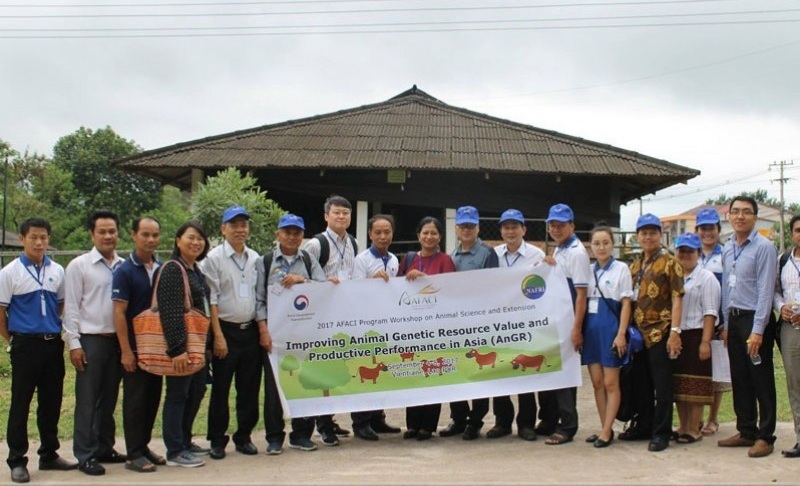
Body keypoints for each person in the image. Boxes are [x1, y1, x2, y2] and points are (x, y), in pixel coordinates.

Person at [0, 218, 77, 484]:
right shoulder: (10, 272)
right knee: (21, 403)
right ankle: (17, 459)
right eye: (34, 237)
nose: (39, 242)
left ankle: (49, 453)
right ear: (22, 239)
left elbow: (61, 305)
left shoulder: (57, 269)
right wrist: (13, 338)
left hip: (51, 343)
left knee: (51, 401)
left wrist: (49, 328)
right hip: (25, 344)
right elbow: (1, 311)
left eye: (43, 237)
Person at [256, 213, 328, 453]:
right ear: (278, 234)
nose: (292, 236)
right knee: (275, 388)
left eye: (297, 232)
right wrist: (263, 330)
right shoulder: (265, 262)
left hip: (304, 335)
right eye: (287, 232)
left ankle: (301, 434)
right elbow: (259, 300)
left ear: (302, 236)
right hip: (275, 337)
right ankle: (274, 438)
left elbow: (324, 287)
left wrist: (302, 280)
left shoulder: (307, 260)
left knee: (304, 384)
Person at [63, 210, 126, 476]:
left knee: (109, 399)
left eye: (112, 231)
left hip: (117, 341)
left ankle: (104, 447)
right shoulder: (79, 266)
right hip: (91, 340)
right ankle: (85, 454)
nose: (108, 236)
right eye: (102, 231)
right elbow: (71, 308)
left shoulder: (124, 265)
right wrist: (74, 343)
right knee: (88, 400)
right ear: (92, 234)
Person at [718, 196, 778, 458]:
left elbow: (766, 290)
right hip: (735, 319)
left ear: (755, 216)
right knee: (739, 378)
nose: (740, 216)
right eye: (735, 212)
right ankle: (746, 430)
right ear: (729, 216)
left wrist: (758, 330)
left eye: (746, 212)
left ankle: (765, 436)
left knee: (760, 379)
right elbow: (725, 288)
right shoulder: (728, 247)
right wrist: (727, 322)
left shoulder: (764, 247)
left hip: (756, 319)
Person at [201, 205, 261, 460]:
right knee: (222, 389)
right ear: (223, 228)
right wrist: (218, 336)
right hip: (225, 331)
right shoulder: (213, 259)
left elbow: (260, 297)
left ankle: (244, 436)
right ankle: (217, 439)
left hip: (251, 332)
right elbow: (211, 300)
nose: (240, 230)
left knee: (249, 388)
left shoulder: (255, 257)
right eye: (234, 225)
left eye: (243, 225)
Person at [619, 213, 683, 452]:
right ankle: (644, 425)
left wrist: (675, 331)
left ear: (660, 235)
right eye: (643, 233)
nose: (648, 237)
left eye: (652, 232)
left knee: (663, 385)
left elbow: (678, 298)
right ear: (637, 236)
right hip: (639, 336)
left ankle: (662, 432)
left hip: (662, 331)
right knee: (642, 384)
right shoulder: (635, 265)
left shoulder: (670, 262)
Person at [111, 217, 166, 473]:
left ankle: (144, 447)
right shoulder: (124, 271)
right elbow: (119, 313)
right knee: (135, 400)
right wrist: (126, 351)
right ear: (133, 235)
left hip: (157, 347)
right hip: (135, 347)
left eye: (155, 235)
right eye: (145, 234)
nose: (150, 240)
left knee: (153, 397)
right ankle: (133, 453)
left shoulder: (162, 267)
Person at [302, 195, 358, 445]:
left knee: (339, 369)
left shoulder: (354, 243)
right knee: (324, 370)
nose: (341, 217)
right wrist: (323, 284)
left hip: (343, 317)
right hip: (320, 318)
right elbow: (299, 278)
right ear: (326, 216)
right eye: (336, 213)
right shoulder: (316, 244)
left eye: (346, 213)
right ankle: (322, 426)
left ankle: (330, 418)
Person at [440, 206, 499, 440]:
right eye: (462, 226)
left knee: (479, 371)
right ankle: (459, 418)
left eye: (470, 226)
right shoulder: (452, 256)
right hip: (456, 324)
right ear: (455, 229)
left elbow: (493, 288)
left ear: (478, 227)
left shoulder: (487, 253)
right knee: (456, 371)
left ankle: (475, 421)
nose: (466, 230)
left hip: (480, 323)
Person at [157, 221, 212, 468]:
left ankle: (186, 440)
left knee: (196, 391)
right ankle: (175, 450)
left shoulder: (195, 270)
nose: (195, 242)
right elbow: (170, 313)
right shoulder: (172, 269)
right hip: (182, 347)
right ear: (178, 240)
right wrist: (177, 350)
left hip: (199, 346)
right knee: (178, 395)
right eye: (190, 237)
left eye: (200, 239)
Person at [398, 216, 456, 441]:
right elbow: (397, 289)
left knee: (432, 373)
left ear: (440, 236)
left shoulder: (445, 260)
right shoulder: (409, 258)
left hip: (436, 328)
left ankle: (428, 426)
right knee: (413, 374)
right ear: (418, 235)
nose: (429, 237)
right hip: (412, 327)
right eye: (425, 232)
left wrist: (425, 279)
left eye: (434, 233)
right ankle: (412, 424)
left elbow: (451, 291)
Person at [539, 203, 590, 446]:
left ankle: (568, 425)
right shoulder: (561, 250)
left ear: (572, 225)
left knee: (566, 375)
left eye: (561, 225)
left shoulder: (577, 253)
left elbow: (581, 294)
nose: (556, 229)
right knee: (552, 371)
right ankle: (550, 420)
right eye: (553, 225)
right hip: (557, 320)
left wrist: (577, 328)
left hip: (569, 321)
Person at [493, 209, 545, 441]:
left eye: (515, 227)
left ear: (524, 229)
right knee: (501, 371)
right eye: (506, 227)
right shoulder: (493, 254)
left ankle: (526, 424)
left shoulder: (537, 255)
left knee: (525, 371)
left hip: (527, 323)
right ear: (501, 230)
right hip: (499, 323)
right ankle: (502, 422)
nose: (510, 231)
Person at [350, 214, 402, 441]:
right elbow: (352, 292)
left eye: (387, 232)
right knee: (365, 371)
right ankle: (360, 422)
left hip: (386, 325)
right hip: (365, 325)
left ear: (392, 234)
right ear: (370, 234)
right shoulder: (361, 260)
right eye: (378, 232)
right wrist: (370, 280)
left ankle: (377, 419)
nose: (382, 236)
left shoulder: (393, 260)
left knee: (380, 373)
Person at [582, 225, 632, 448]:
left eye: (605, 243)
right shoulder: (588, 270)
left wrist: (621, 334)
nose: (601, 247)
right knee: (597, 383)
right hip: (591, 333)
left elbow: (626, 303)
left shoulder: (621, 269)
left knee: (612, 383)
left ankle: (605, 430)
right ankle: (606, 428)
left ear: (613, 245)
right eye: (596, 243)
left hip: (611, 332)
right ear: (590, 247)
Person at [673, 232, 719, 444]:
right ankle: (682, 426)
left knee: (695, 386)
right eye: (681, 250)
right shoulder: (675, 276)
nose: (685, 255)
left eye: (690, 251)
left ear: (699, 253)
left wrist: (705, 341)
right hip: (678, 336)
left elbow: (710, 312)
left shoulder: (706, 278)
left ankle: (694, 428)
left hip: (697, 334)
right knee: (680, 385)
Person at [695, 207, 730, 437]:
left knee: (717, 373)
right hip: (693, 323)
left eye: (711, 228)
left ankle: (713, 419)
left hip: (717, 324)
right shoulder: (688, 253)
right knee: (695, 371)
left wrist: (726, 324)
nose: (707, 233)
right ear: (697, 230)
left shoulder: (726, 255)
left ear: (718, 230)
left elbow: (730, 291)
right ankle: (695, 419)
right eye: (703, 228)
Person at [775, 215, 800, 458]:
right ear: (791, 234)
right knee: (795, 384)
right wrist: (780, 306)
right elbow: (775, 291)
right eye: (798, 230)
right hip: (790, 329)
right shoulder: (783, 261)